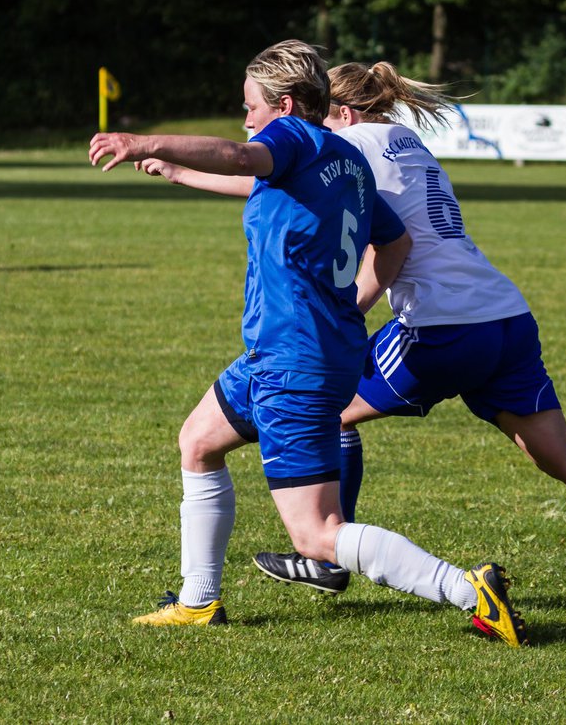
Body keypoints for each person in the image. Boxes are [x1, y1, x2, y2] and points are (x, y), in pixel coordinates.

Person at [88, 40, 528, 644]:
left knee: (317, 532)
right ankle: (197, 601)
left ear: (287, 105)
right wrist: (181, 173)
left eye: (251, 105)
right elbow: (392, 241)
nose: (245, 117)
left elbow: (238, 154)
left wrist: (143, 142)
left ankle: (465, 588)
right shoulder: (344, 160)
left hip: (295, 358)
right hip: (301, 349)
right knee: (198, 442)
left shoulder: (292, 137)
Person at [237, 61, 566, 621]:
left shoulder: (350, 143)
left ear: (343, 112)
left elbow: (358, 222)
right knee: (560, 453)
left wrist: (347, 308)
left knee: (330, 407)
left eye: (324, 115)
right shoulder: (404, 138)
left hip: (442, 325)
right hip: (504, 314)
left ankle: (327, 551)